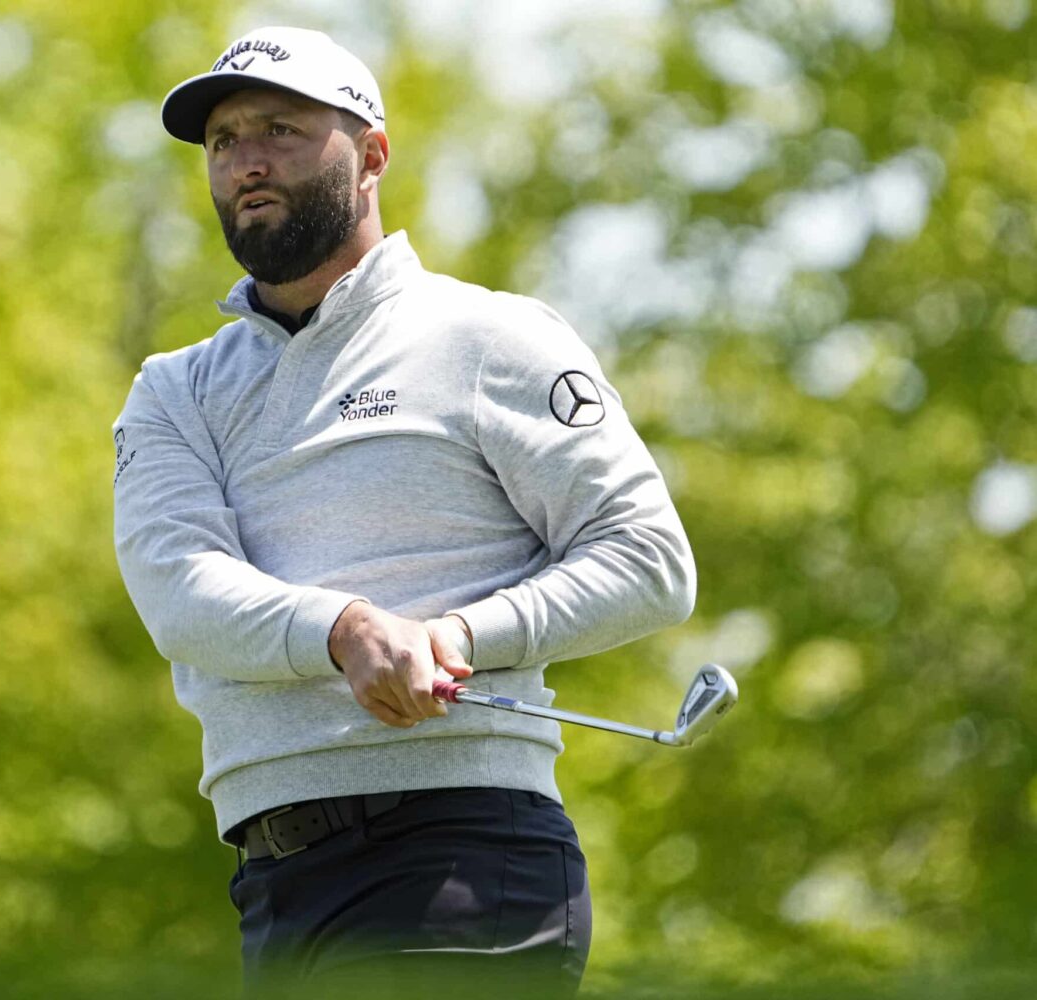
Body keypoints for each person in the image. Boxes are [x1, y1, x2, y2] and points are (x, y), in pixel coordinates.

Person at [111, 25, 695, 997]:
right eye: (223, 140)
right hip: (273, 882)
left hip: (463, 854)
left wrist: (458, 636)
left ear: (373, 155)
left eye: (282, 130)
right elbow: (180, 591)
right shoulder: (174, 392)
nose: (247, 161)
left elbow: (648, 561)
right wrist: (346, 630)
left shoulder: (490, 338)